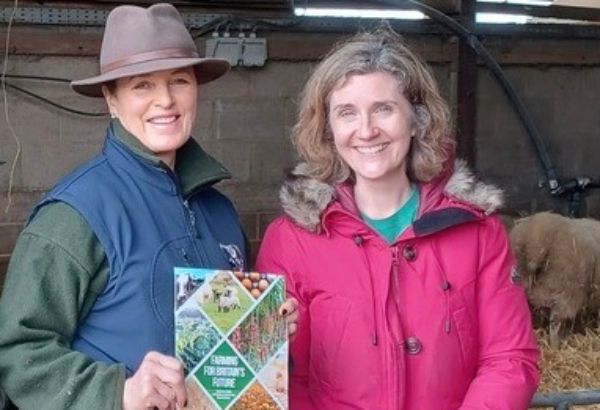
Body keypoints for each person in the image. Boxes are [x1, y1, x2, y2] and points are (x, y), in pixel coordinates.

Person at [0, 4, 297, 410]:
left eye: (179, 80)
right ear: (111, 99)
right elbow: (15, 352)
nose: (165, 100)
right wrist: (116, 392)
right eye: (142, 85)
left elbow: (226, 360)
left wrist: (265, 332)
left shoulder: (220, 212)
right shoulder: (73, 215)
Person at [256, 26, 540, 410]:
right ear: (328, 129)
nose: (367, 130)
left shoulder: (477, 231)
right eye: (346, 113)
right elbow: (285, 376)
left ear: (416, 119)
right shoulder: (291, 240)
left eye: (383, 109)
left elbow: (509, 358)